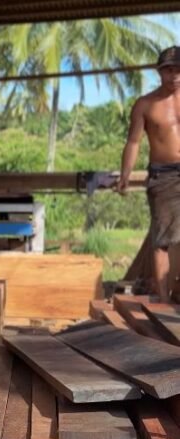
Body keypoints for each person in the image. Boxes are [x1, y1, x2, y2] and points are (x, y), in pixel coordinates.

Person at [119, 46, 180, 302]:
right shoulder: (145, 104)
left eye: (178, 69)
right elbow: (133, 142)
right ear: (160, 73)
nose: (174, 75)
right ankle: (165, 302)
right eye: (168, 70)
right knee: (162, 239)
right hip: (163, 176)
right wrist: (125, 175)